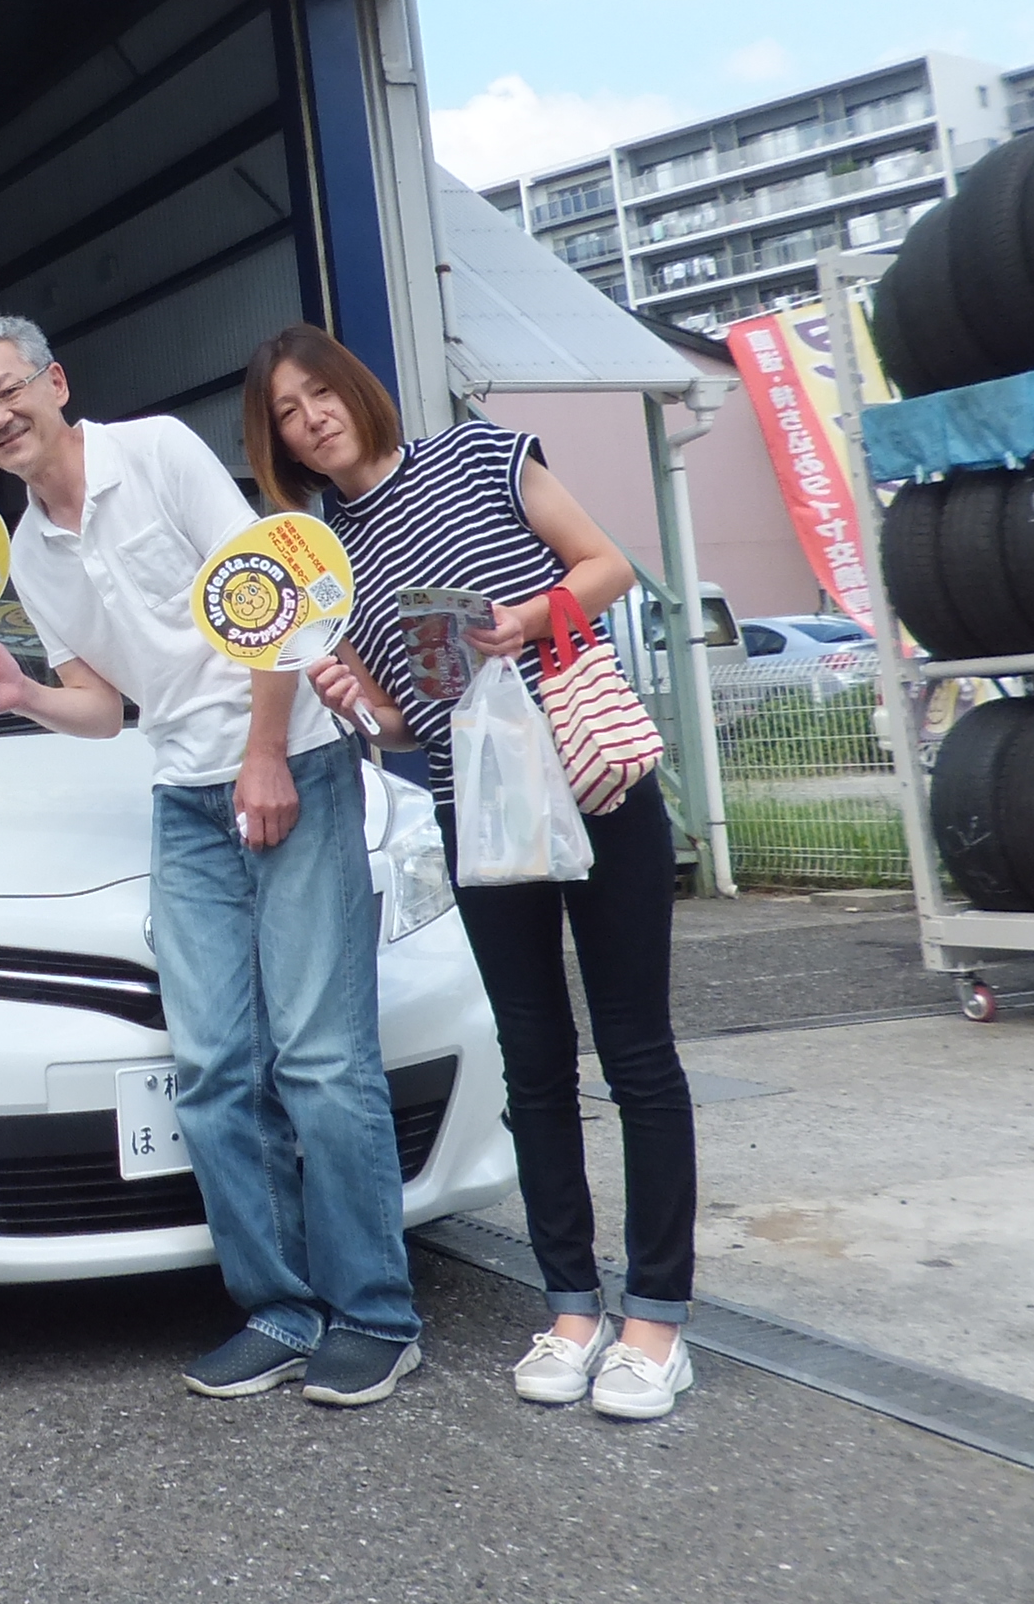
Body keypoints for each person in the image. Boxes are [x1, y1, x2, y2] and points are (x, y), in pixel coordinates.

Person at [0, 314, 426, 1409]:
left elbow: (276, 593)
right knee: (211, 1069)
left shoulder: (155, 452)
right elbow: (102, 704)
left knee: (319, 1058)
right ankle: (280, 1310)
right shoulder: (26, 551)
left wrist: (266, 757)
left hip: (293, 763)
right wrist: (21, 694)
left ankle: (376, 1316)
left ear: (56, 383)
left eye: (9, 390)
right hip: (183, 795)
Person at [252, 322, 700, 1423]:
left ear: (355, 389)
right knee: (533, 1062)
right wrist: (364, 706)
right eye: (287, 415)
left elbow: (606, 566)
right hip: (480, 814)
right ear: (281, 445)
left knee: (637, 1053)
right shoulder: (326, 560)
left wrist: (523, 621)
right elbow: (412, 724)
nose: (312, 420)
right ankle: (570, 1309)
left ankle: (655, 1322)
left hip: (591, 779)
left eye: (320, 394)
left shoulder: (478, 453)